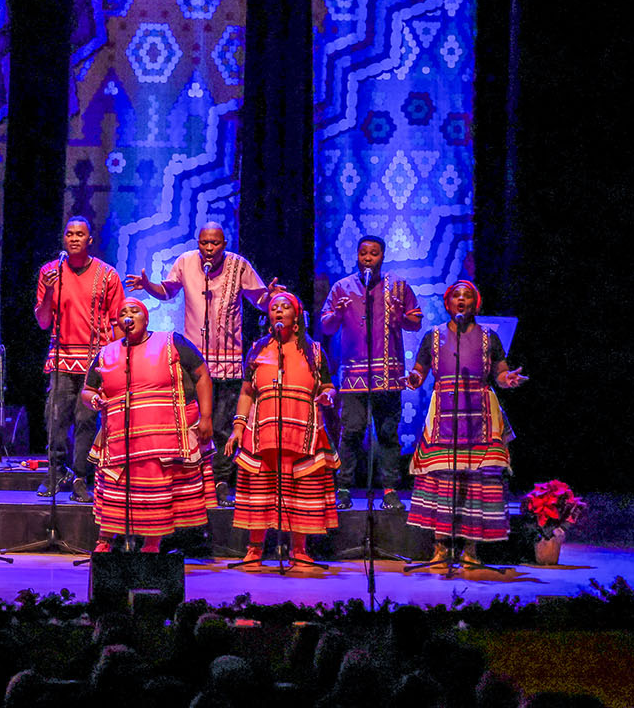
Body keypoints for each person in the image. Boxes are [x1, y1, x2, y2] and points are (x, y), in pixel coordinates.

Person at [123, 222, 279, 506]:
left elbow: (260, 299)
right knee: (193, 422)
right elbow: (168, 291)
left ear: (224, 244)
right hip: (194, 361)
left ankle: (220, 480)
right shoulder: (185, 262)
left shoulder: (239, 266)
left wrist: (270, 295)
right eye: (204, 243)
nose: (209, 249)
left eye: (215, 244)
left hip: (228, 360)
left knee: (221, 425)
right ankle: (193, 480)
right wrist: (147, 286)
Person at [404, 281, 528, 564]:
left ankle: (471, 550)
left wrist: (506, 380)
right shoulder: (433, 336)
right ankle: (440, 549)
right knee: (441, 479)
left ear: (476, 303)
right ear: (447, 303)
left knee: (477, 482)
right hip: (444, 416)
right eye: (456, 296)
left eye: (468, 295)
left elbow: (500, 372)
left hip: (479, 416)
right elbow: (419, 371)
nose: (462, 300)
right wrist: (413, 379)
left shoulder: (489, 338)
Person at [80, 296, 213, 552]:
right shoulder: (106, 353)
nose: (128, 316)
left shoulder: (171, 341)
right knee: (114, 487)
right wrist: (94, 399)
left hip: (162, 435)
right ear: (118, 323)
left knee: (157, 489)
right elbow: (87, 391)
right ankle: (105, 542)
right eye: (122, 313)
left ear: (146, 317)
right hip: (119, 434)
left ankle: (152, 544)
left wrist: (206, 416)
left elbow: (202, 374)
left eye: (135, 311)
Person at [224, 291, 339, 564]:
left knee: (301, 488)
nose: (279, 311)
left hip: (303, 431)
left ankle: (299, 550)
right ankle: (254, 549)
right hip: (262, 432)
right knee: (260, 489)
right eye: (274, 307)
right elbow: (246, 392)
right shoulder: (257, 349)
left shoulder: (314, 351)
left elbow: (328, 386)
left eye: (285, 307)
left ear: (296, 316)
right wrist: (238, 427)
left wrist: (328, 396)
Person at [319, 236, 423, 510]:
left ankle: (390, 490)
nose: (368, 258)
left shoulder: (398, 286)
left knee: (388, 433)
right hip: (354, 376)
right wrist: (338, 315)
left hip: (388, 375)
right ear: (356, 255)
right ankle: (343, 488)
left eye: (374, 253)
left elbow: (415, 323)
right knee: (351, 432)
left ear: (382, 256)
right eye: (363, 253)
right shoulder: (342, 287)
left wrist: (400, 316)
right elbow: (326, 326)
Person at [34, 217, 123, 502]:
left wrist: (118, 361)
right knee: (55, 419)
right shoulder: (50, 272)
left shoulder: (107, 275)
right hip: (61, 359)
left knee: (86, 421)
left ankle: (82, 477)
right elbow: (44, 321)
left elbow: (118, 321)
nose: (74, 238)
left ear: (90, 240)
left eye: (80, 234)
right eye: (69, 234)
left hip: (94, 362)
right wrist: (48, 291)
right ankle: (55, 473)